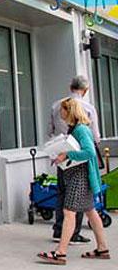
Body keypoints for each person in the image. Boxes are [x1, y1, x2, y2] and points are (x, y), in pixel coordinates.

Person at [38, 98, 109, 264]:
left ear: (69, 111)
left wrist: (67, 155)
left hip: (80, 177)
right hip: (82, 176)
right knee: (90, 212)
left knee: (69, 212)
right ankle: (102, 248)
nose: (60, 113)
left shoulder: (81, 130)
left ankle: (60, 253)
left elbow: (89, 152)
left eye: (62, 110)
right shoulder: (77, 129)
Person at [47, 75, 101, 244]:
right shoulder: (88, 108)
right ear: (85, 90)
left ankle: (59, 230)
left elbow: (50, 131)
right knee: (75, 200)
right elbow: (96, 137)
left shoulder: (56, 105)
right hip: (77, 161)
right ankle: (73, 234)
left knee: (63, 194)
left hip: (62, 156)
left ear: (71, 87)